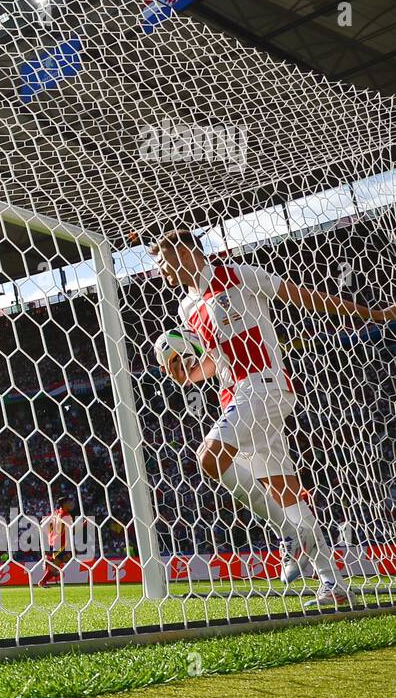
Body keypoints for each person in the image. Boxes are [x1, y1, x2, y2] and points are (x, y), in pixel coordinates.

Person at [151, 228, 396, 608]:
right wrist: (189, 374)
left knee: (209, 457)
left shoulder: (236, 274)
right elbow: (215, 361)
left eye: (163, 263)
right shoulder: (187, 308)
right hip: (234, 397)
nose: (161, 273)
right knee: (286, 494)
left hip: (265, 387)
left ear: (185, 252)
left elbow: (306, 298)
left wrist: (373, 314)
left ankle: (287, 535)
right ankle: (334, 584)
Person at [38, 499, 75, 587]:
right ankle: (49, 566)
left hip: (55, 542)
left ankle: (48, 567)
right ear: (64, 504)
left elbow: (42, 522)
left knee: (64, 559)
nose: (71, 504)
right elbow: (72, 530)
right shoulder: (65, 515)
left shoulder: (56, 512)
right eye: (69, 502)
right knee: (64, 559)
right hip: (59, 543)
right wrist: (84, 525)